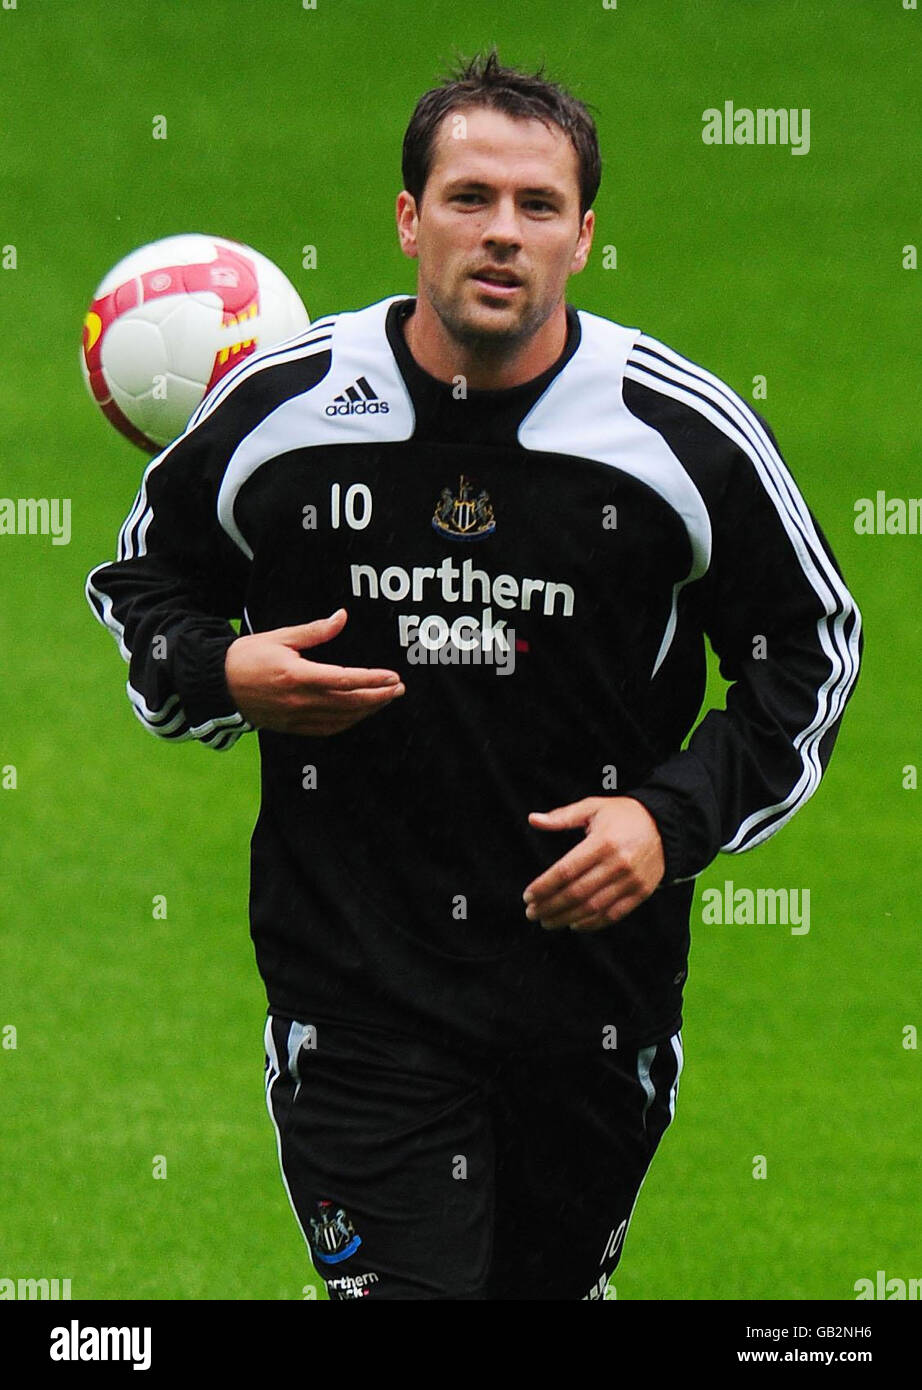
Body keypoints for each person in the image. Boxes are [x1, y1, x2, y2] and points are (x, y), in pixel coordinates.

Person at [86, 50, 862, 1300]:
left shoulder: (675, 435)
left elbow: (809, 648)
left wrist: (667, 821)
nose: (501, 233)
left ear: (584, 236)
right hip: (356, 996)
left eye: (537, 207)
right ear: (408, 220)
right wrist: (222, 668)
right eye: (468, 198)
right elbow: (144, 587)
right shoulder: (282, 413)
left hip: (592, 1005)